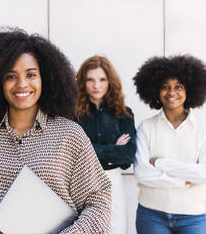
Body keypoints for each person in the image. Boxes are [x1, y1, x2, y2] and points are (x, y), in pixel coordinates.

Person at [0, 28, 112, 234]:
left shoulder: (69, 136)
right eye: (11, 76)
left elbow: (98, 201)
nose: (22, 84)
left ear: (46, 78)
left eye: (31, 74)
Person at [133, 55, 206, 234]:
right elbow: (142, 173)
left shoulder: (203, 130)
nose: (171, 93)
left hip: (193, 216)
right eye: (165, 87)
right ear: (155, 91)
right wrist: (183, 180)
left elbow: (203, 174)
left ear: (190, 90)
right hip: (151, 214)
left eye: (178, 87)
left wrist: (159, 163)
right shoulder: (146, 127)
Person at [74, 55, 136, 234]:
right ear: (83, 82)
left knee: (115, 228)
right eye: (90, 80)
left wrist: (91, 148)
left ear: (110, 81)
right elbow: (74, 152)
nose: (96, 85)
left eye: (102, 79)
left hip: (112, 181)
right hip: (82, 182)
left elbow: (127, 156)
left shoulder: (124, 114)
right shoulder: (73, 114)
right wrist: (113, 149)